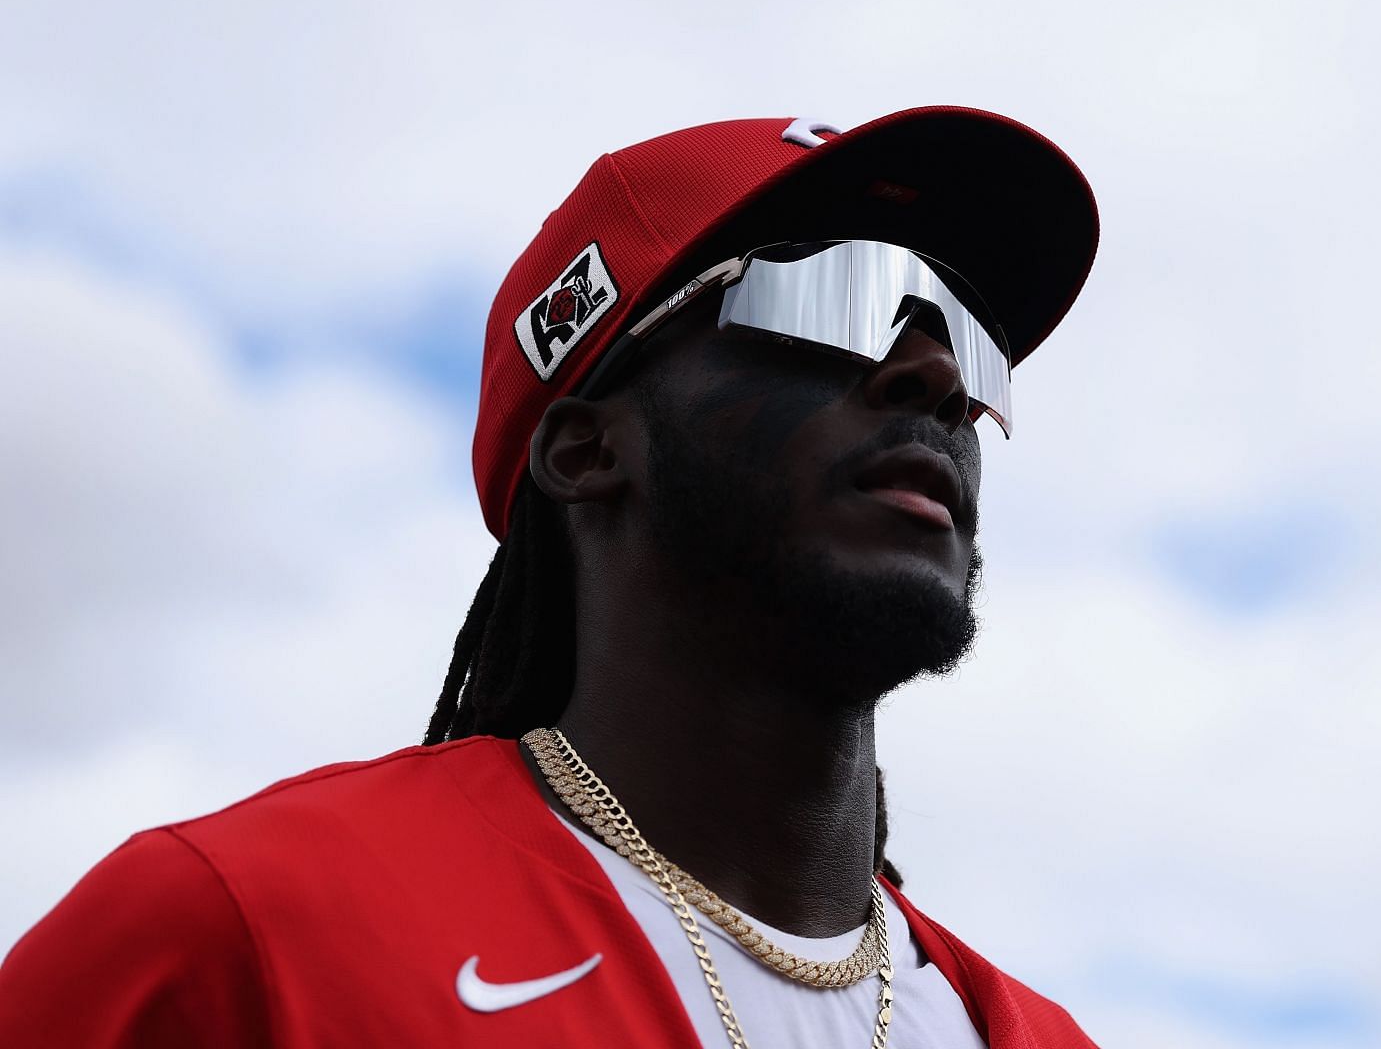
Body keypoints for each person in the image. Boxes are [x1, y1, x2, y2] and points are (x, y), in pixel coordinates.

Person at [0, 107, 1103, 1047]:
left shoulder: (1034, 1033)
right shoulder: (244, 926)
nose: (937, 371)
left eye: (966, 329)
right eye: (832, 295)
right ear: (586, 449)